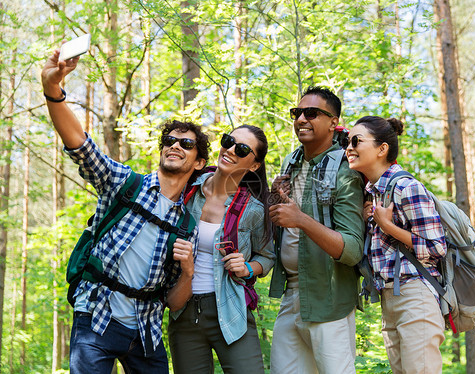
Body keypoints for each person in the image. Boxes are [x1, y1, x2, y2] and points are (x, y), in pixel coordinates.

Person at [41, 49, 209, 374]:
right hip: (96, 316)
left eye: (186, 144)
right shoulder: (123, 183)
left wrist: (188, 270)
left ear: (199, 162)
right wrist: (53, 90)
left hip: (146, 332)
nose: (175, 145)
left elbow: (174, 302)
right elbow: (79, 144)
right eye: (170, 140)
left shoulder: (187, 225)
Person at [268, 86, 365, 374]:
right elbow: (284, 227)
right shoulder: (292, 162)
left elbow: (351, 250)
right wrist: (275, 199)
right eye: (297, 113)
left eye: (311, 113)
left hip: (328, 297)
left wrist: (302, 219)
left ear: (333, 122)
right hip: (291, 294)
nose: (301, 119)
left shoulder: (345, 169)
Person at [167, 125, 275, 374]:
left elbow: (267, 257)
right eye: (229, 141)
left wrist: (248, 267)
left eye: (243, 149)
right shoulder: (188, 188)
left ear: (254, 165)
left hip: (231, 311)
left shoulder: (254, 210)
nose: (231, 150)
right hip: (183, 312)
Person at [345, 116, 447, 374]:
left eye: (356, 141)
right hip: (389, 298)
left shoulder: (406, 186)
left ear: (382, 149)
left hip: (416, 296)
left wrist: (387, 226)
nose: (349, 147)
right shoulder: (374, 192)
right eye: (348, 141)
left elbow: (436, 246)